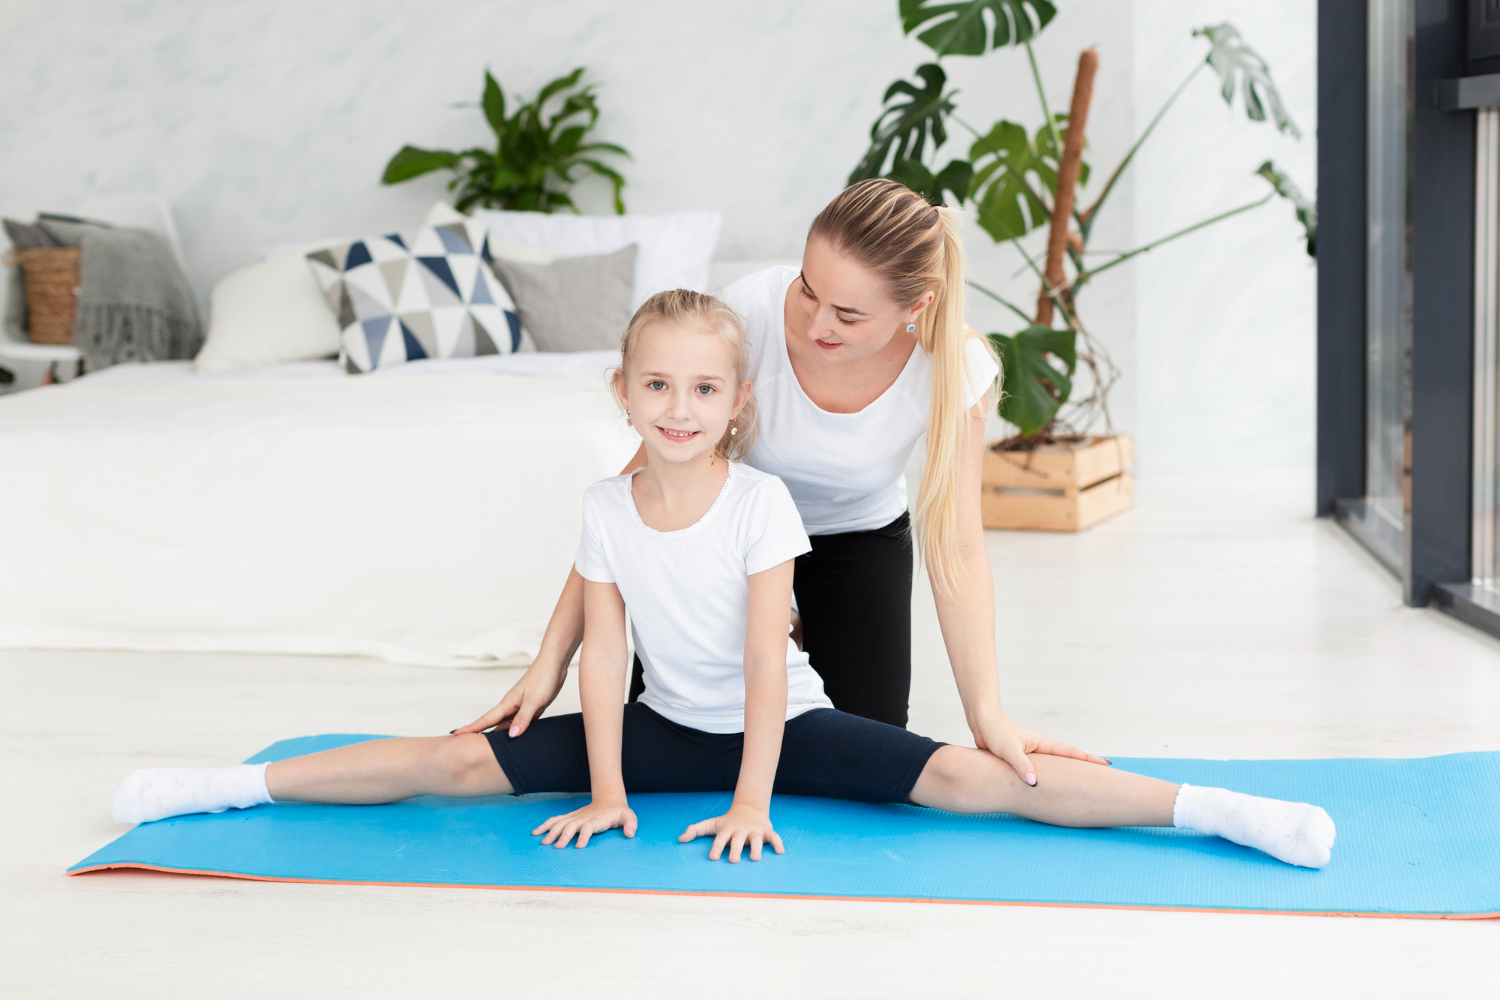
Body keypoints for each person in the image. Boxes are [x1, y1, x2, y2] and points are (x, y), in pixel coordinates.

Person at [111, 290, 1337, 870]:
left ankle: (1211, 808)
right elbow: (604, 658)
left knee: (970, 778)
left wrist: (754, 801)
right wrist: (602, 784)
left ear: (736, 402)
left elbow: (765, 666)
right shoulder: (604, 505)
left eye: (704, 389)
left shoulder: (764, 502)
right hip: (655, 730)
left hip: (776, 728)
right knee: (445, 758)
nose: (680, 408)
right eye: (656, 387)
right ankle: (218, 785)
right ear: (623, 395)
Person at [459, 179, 1089, 788]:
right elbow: (632, 495)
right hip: (723, 532)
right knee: (665, 741)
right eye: (808, 290)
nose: (816, 323)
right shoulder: (750, 313)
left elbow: (960, 546)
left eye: (847, 314)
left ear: (915, 308)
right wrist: (551, 660)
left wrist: (987, 713)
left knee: (856, 760)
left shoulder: (954, 366)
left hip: (856, 539)